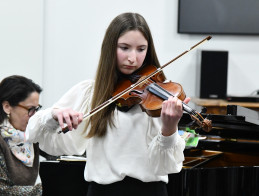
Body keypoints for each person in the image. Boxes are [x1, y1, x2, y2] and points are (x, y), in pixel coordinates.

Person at [25, 12, 190, 196]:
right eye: (125, 47)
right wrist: (54, 116)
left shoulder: (160, 96)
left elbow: (164, 166)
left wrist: (169, 129)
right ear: (110, 47)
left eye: (141, 49)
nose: (132, 58)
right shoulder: (90, 93)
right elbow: (36, 134)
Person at [0, 75, 43, 195]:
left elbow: (58, 152)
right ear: (7, 107)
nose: (34, 115)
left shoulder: (29, 134)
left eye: (36, 109)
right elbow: (2, 190)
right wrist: (42, 189)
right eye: (30, 109)